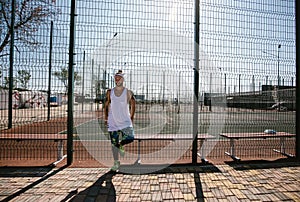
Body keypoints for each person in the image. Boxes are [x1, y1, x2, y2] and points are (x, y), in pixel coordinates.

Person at [104, 70, 136, 171]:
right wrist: (106, 117)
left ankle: (121, 145)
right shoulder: (110, 92)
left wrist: (131, 116)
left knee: (130, 137)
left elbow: (133, 103)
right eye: (115, 78)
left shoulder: (128, 92)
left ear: (122, 79)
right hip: (113, 121)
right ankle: (116, 163)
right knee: (113, 143)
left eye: (119, 78)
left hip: (125, 120)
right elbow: (106, 105)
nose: (117, 80)